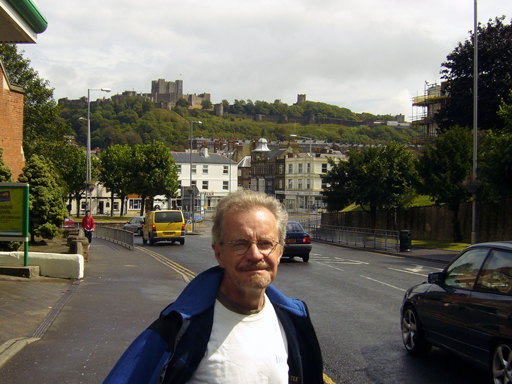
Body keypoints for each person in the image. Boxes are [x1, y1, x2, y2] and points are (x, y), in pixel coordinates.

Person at [103, 190, 323, 384]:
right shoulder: (178, 328)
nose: (255, 255)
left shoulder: (295, 321)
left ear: (280, 251)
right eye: (240, 244)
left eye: (266, 243)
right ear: (219, 253)